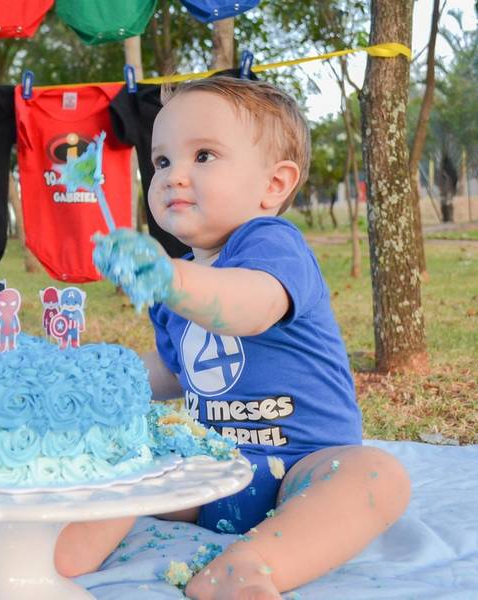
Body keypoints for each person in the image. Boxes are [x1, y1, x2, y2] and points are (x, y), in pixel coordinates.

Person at [55, 76, 411, 599]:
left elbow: (249, 307)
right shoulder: (175, 278)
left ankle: (252, 563)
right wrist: (108, 382)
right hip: (205, 474)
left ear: (274, 185)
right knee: (126, 445)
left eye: (203, 156)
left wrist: (171, 282)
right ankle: (58, 551)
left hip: (303, 467)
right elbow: (173, 373)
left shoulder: (271, 245)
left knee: (377, 476)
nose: (174, 176)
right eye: (160, 162)